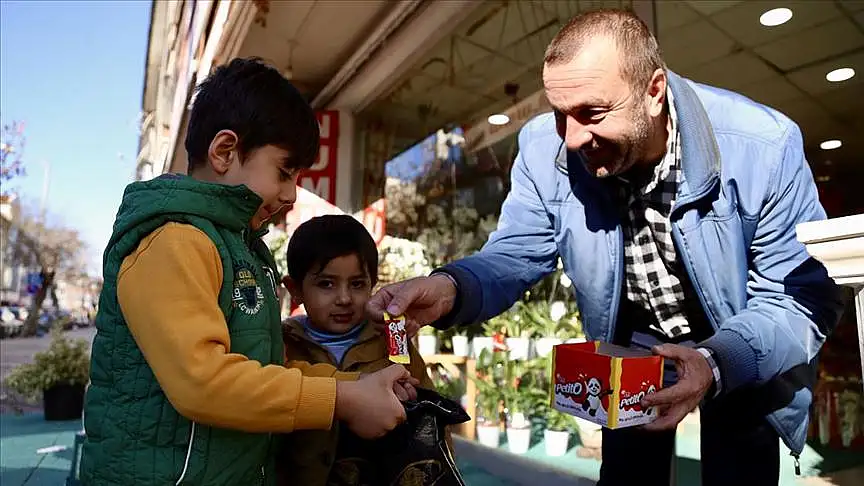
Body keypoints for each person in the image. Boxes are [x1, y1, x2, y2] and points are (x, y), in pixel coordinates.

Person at [368, 9, 843, 486]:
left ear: (653, 92)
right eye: (559, 114)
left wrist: (716, 361)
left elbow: (798, 300)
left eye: (591, 113)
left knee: (740, 464)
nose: (571, 139)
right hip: (627, 361)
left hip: (739, 355)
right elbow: (515, 253)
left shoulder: (765, 146)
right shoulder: (542, 149)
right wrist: (451, 286)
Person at [80, 58, 414, 486]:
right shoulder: (173, 241)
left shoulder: (239, 249)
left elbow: (262, 369)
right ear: (224, 151)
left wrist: (361, 384)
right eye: (284, 172)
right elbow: (204, 382)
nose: (292, 193)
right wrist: (342, 397)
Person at [276, 214, 439, 486]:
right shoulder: (282, 345)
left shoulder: (391, 343)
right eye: (326, 284)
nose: (344, 299)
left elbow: (432, 423)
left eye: (357, 284)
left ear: (373, 284)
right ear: (295, 289)